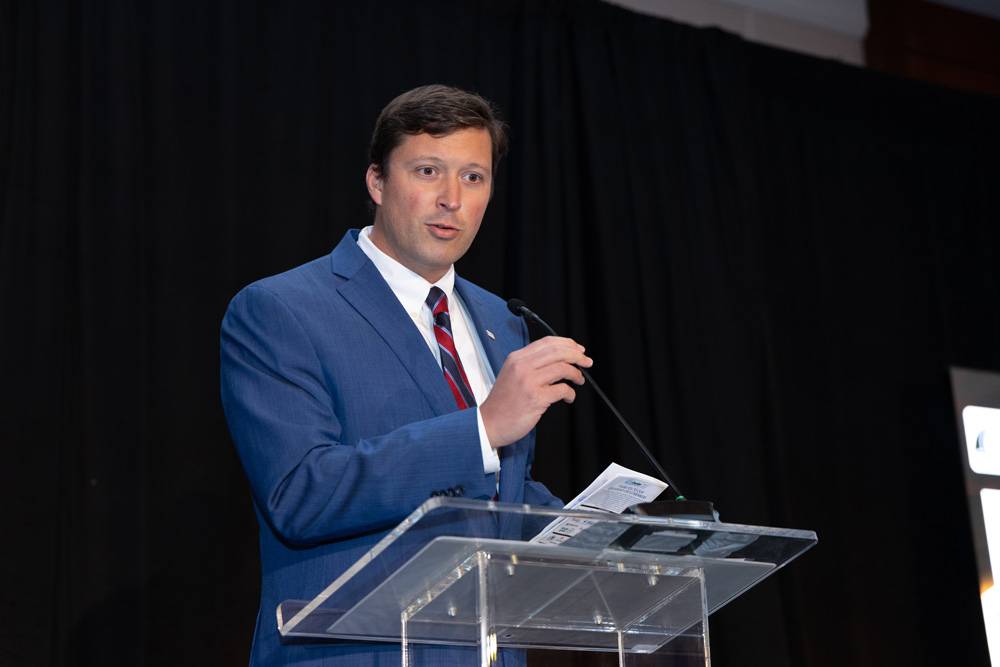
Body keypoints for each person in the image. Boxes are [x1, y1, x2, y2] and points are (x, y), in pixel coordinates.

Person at [220, 84, 592, 666]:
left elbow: (497, 494)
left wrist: (599, 531)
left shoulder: (502, 320)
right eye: (427, 171)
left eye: (474, 177)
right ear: (377, 182)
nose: (452, 199)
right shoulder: (281, 310)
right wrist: (481, 429)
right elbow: (301, 495)